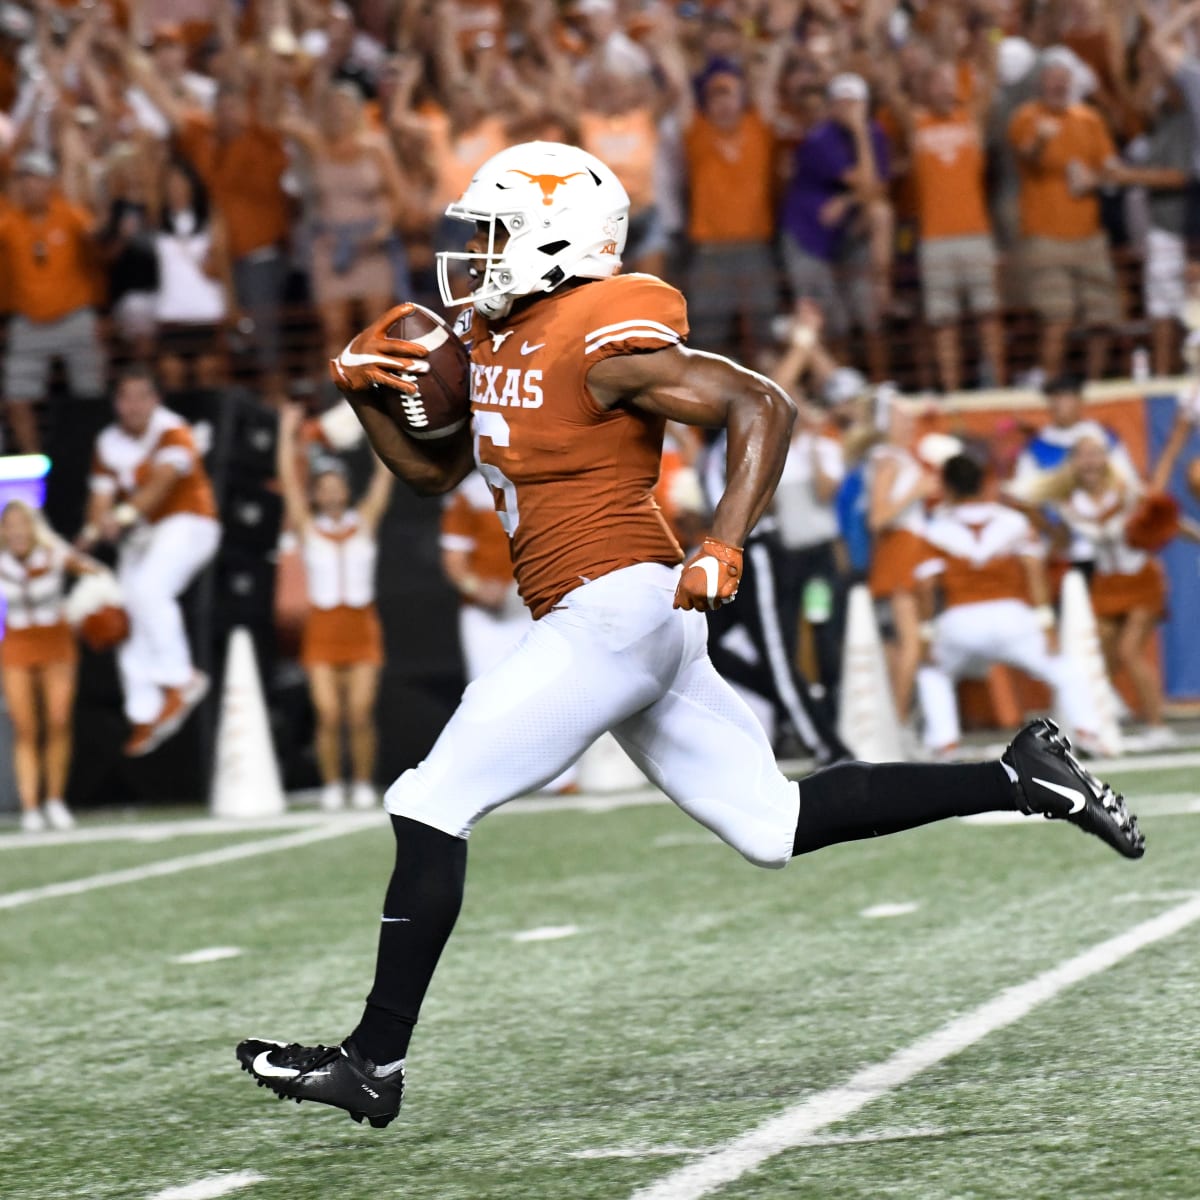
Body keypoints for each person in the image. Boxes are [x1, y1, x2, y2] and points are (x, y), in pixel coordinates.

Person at [236, 141, 1144, 1129]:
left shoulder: (600, 332)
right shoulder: (497, 336)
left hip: (615, 608)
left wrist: (723, 541)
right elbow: (435, 473)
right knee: (771, 827)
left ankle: (374, 1062)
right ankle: (1021, 779)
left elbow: (762, 403)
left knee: (430, 801)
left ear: (554, 239)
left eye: (497, 229)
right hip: (626, 622)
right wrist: (371, 399)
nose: (477, 249)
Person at [914, 454, 1102, 760]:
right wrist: (1046, 622)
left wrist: (925, 632)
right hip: (1013, 616)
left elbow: (925, 586)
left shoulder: (935, 528)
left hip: (960, 620)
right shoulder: (1012, 521)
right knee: (1065, 669)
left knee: (932, 673)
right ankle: (1088, 732)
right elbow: (1034, 570)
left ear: (947, 487)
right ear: (984, 483)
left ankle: (944, 742)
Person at [1036, 410, 1198, 750]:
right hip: (1106, 584)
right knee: (1101, 657)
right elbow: (1061, 540)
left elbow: (1169, 520)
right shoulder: (1068, 503)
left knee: (1130, 650)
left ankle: (1157, 726)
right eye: (1083, 455)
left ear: (1106, 459)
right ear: (1074, 462)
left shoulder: (1127, 491)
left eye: (1096, 454)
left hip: (1140, 577)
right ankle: (1097, 724)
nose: (1090, 461)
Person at [79, 367, 219, 757]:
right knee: (126, 607)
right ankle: (145, 711)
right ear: (116, 403)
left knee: (149, 590)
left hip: (189, 522)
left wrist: (118, 520)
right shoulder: (107, 441)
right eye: (126, 397)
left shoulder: (173, 430)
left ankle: (182, 679)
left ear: (156, 400)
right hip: (142, 534)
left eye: (142, 395)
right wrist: (90, 534)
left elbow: (160, 486)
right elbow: (99, 501)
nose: (134, 405)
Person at [277, 403, 392, 812]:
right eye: (322, 487)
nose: (330, 493)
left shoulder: (364, 523)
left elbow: (384, 475)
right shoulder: (309, 529)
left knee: (359, 713)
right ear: (317, 494)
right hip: (323, 627)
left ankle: (361, 782)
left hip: (361, 625)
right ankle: (331, 784)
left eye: (335, 486)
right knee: (327, 714)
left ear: (345, 489)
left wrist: (378, 425)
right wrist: (287, 432)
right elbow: (289, 482)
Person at [1007, 48, 1120, 380]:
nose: (1057, 83)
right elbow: (1026, 156)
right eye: (1052, 76)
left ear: (1071, 81)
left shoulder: (1089, 119)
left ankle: (1096, 385)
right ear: (1041, 80)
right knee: (1058, 317)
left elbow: (1112, 171)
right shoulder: (1027, 117)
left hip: (1089, 235)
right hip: (1045, 237)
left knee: (1103, 315)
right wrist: (1041, 142)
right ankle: (1052, 386)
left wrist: (1095, 178)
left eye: (1063, 77)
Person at [0, 150, 106, 454]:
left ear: (50, 183)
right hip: (28, 321)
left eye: (36, 179)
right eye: (24, 179)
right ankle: (36, 465)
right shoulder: (9, 220)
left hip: (74, 316)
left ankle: (92, 458)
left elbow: (96, 236)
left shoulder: (69, 212)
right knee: (16, 398)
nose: (30, 186)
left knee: (90, 394)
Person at [0, 501, 95, 833]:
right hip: (16, 643)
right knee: (25, 727)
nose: (16, 531)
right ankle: (30, 806)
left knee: (57, 720)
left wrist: (81, 609)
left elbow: (97, 576)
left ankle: (54, 800)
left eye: (21, 524)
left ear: (33, 526)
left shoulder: (54, 552)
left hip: (56, 640)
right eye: (9, 525)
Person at [865, 389, 936, 723]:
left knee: (900, 643)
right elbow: (878, 518)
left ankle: (897, 719)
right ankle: (899, 721)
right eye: (900, 418)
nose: (908, 424)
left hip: (906, 546)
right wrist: (916, 491)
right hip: (899, 548)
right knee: (909, 642)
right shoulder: (888, 458)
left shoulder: (895, 457)